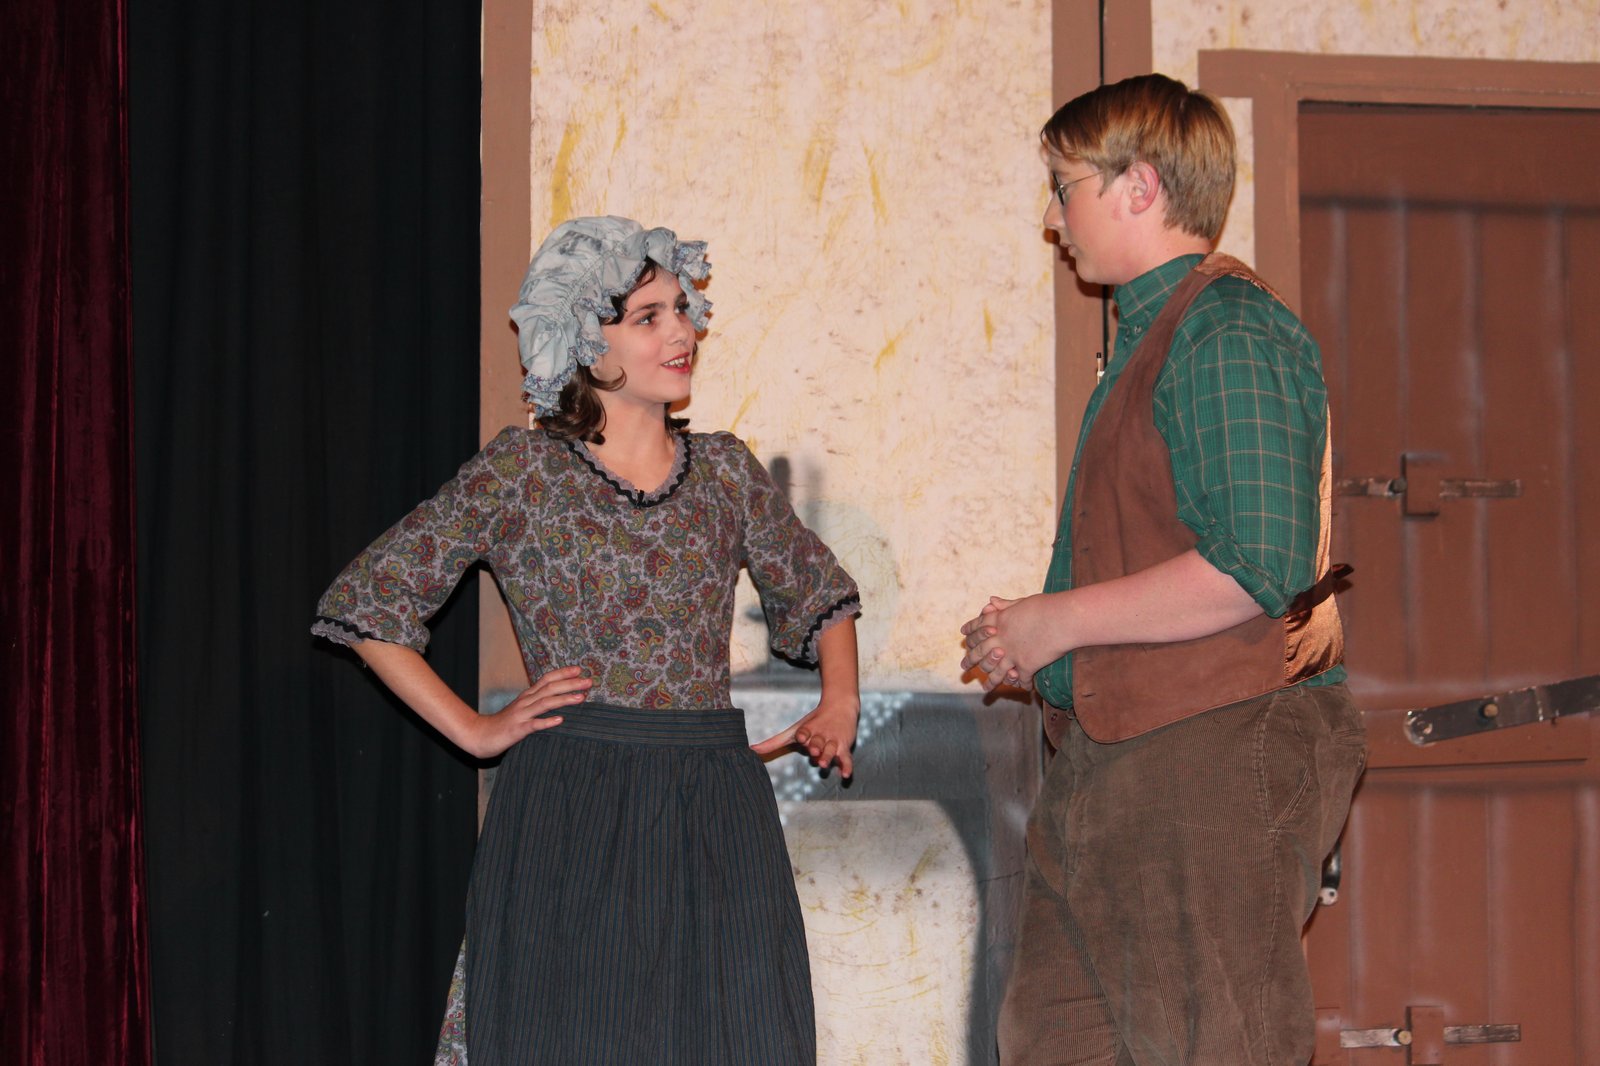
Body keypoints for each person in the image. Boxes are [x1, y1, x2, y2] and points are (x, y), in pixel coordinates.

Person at [312, 216, 861, 1065]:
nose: (681, 332)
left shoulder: (726, 471)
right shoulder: (522, 473)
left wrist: (840, 701)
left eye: (682, 310)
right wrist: (476, 731)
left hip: (712, 806)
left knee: (741, 1037)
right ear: (580, 338)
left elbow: (819, 589)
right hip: (573, 804)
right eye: (648, 317)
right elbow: (369, 599)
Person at [961, 74, 1366, 1066]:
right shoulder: (1158, 337)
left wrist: (1057, 623)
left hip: (1211, 753)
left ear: (1137, 187)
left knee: (1214, 1046)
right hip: (1120, 763)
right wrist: (1042, 650)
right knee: (1049, 1042)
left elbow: (1255, 563)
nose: (1052, 219)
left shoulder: (1225, 330)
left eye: (1064, 188)